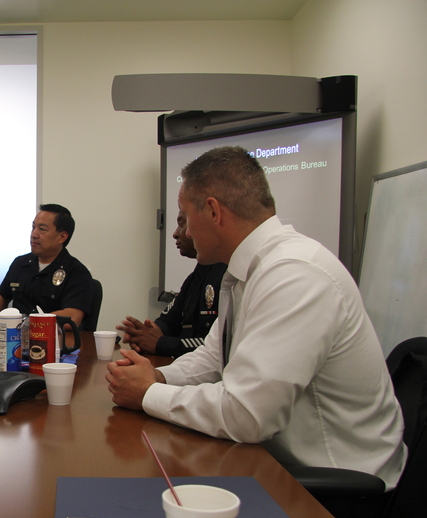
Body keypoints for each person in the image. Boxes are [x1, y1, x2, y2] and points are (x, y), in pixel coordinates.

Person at [106, 146, 406, 493]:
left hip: (336, 491)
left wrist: (148, 393)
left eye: (186, 217)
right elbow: (216, 356)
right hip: (277, 462)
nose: (184, 232)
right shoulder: (250, 270)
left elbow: (247, 416)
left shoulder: (294, 276)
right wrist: (157, 375)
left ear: (214, 211)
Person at [117, 213, 227, 356]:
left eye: (181, 224)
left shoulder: (227, 275)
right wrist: (143, 334)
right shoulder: (194, 277)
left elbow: (219, 346)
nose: (175, 234)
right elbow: (169, 321)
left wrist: (160, 343)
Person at [0, 204, 93, 327]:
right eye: (33, 227)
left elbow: (72, 316)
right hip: (16, 340)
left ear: (62, 236)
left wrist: (28, 324)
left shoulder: (77, 272)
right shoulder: (20, 264)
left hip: (55, 341)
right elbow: (1, 295)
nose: (34, 234)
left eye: (42, 229)